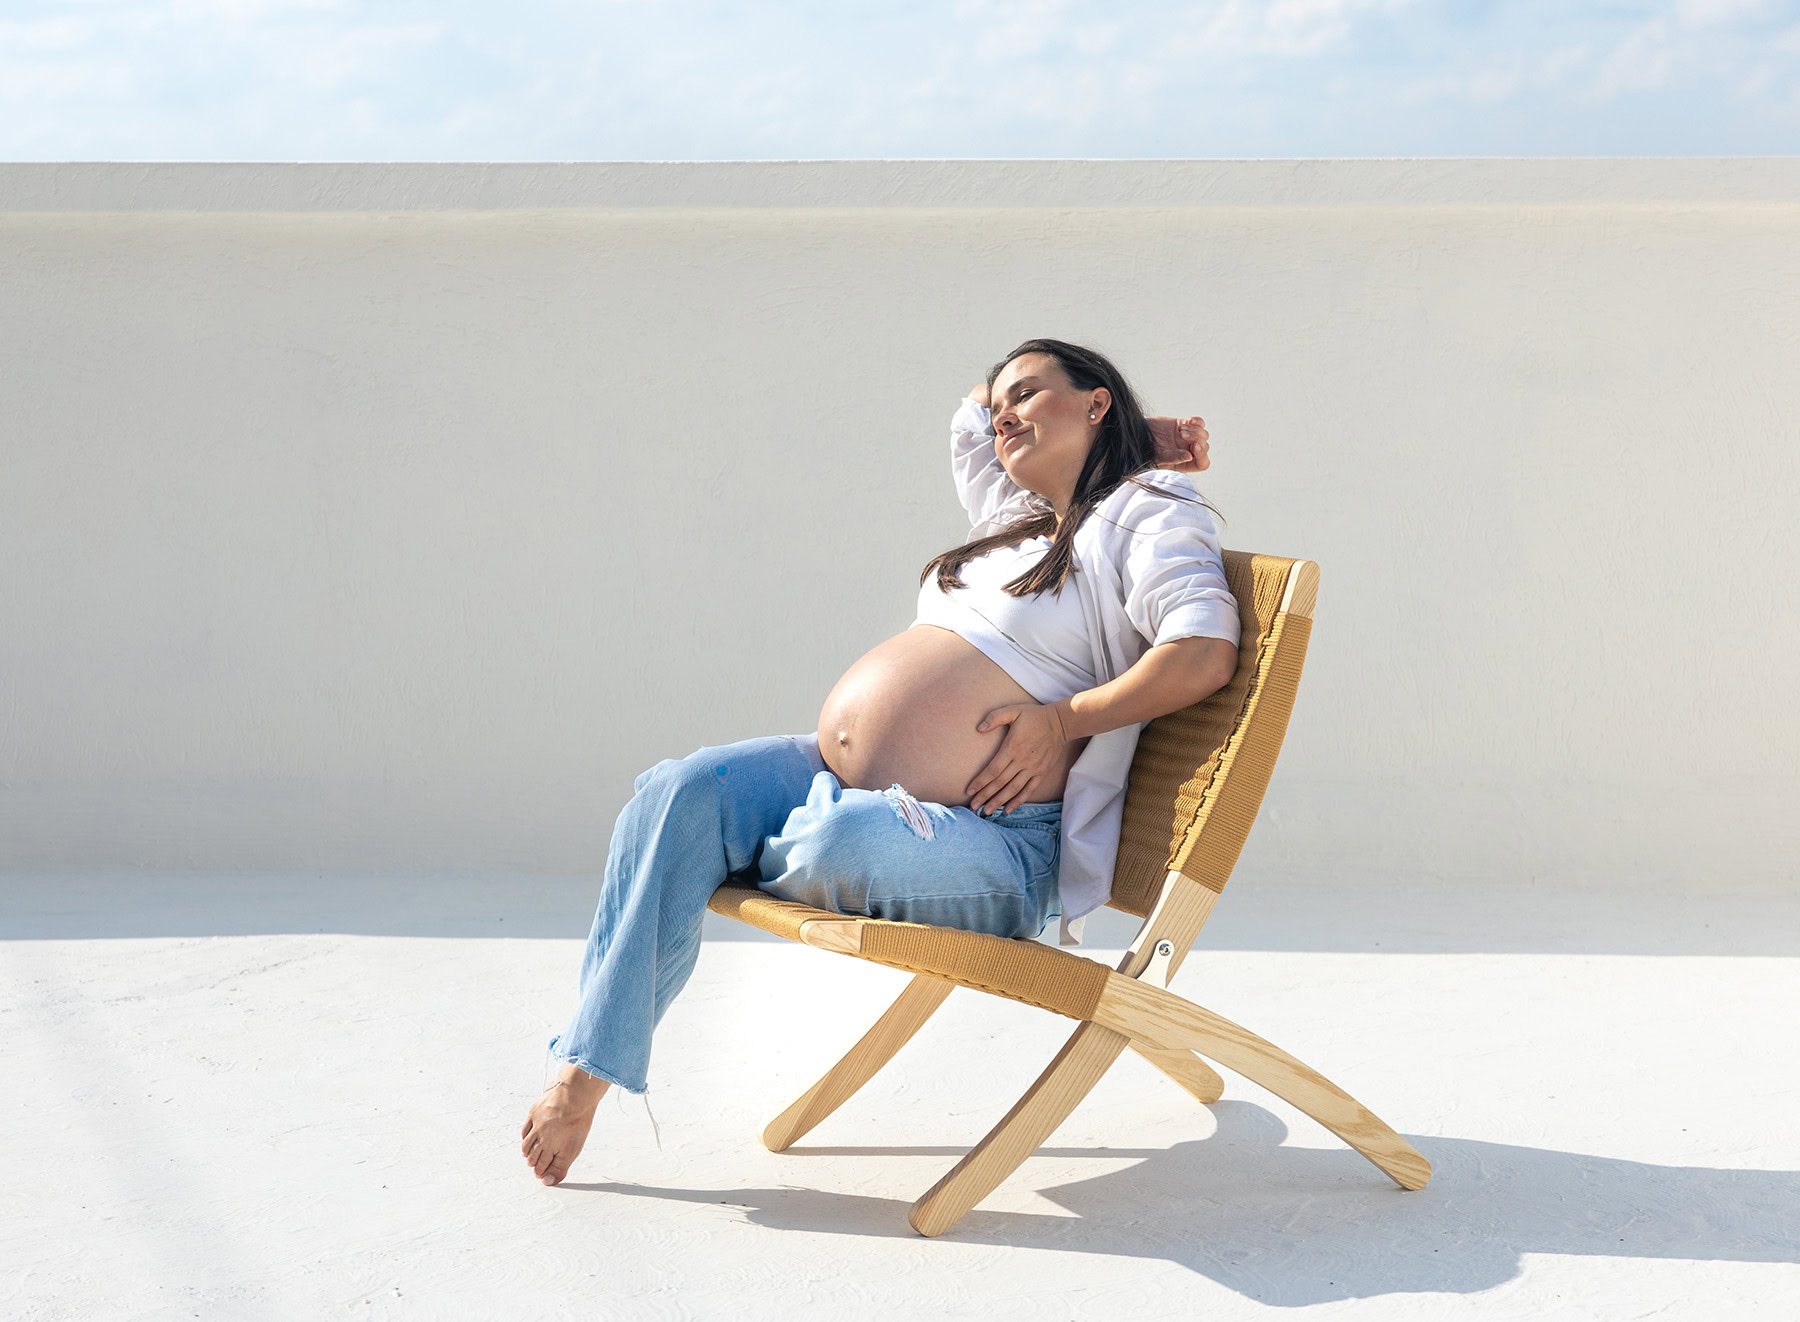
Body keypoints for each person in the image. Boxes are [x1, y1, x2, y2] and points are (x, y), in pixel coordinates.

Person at [521, 338, 1241, 1185]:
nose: (1005, 412)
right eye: (1006, 399)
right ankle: (583, 1074)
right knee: (679, 792)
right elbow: (973, 411)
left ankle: (763, 842)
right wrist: (1123, 423)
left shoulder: (1147, 508)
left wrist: (1062, 719)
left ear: (1094, 404)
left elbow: (1203, 651)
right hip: (844, 783)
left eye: (1033, 392)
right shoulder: (1007, 513)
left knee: (838, 846)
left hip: (989, 841)